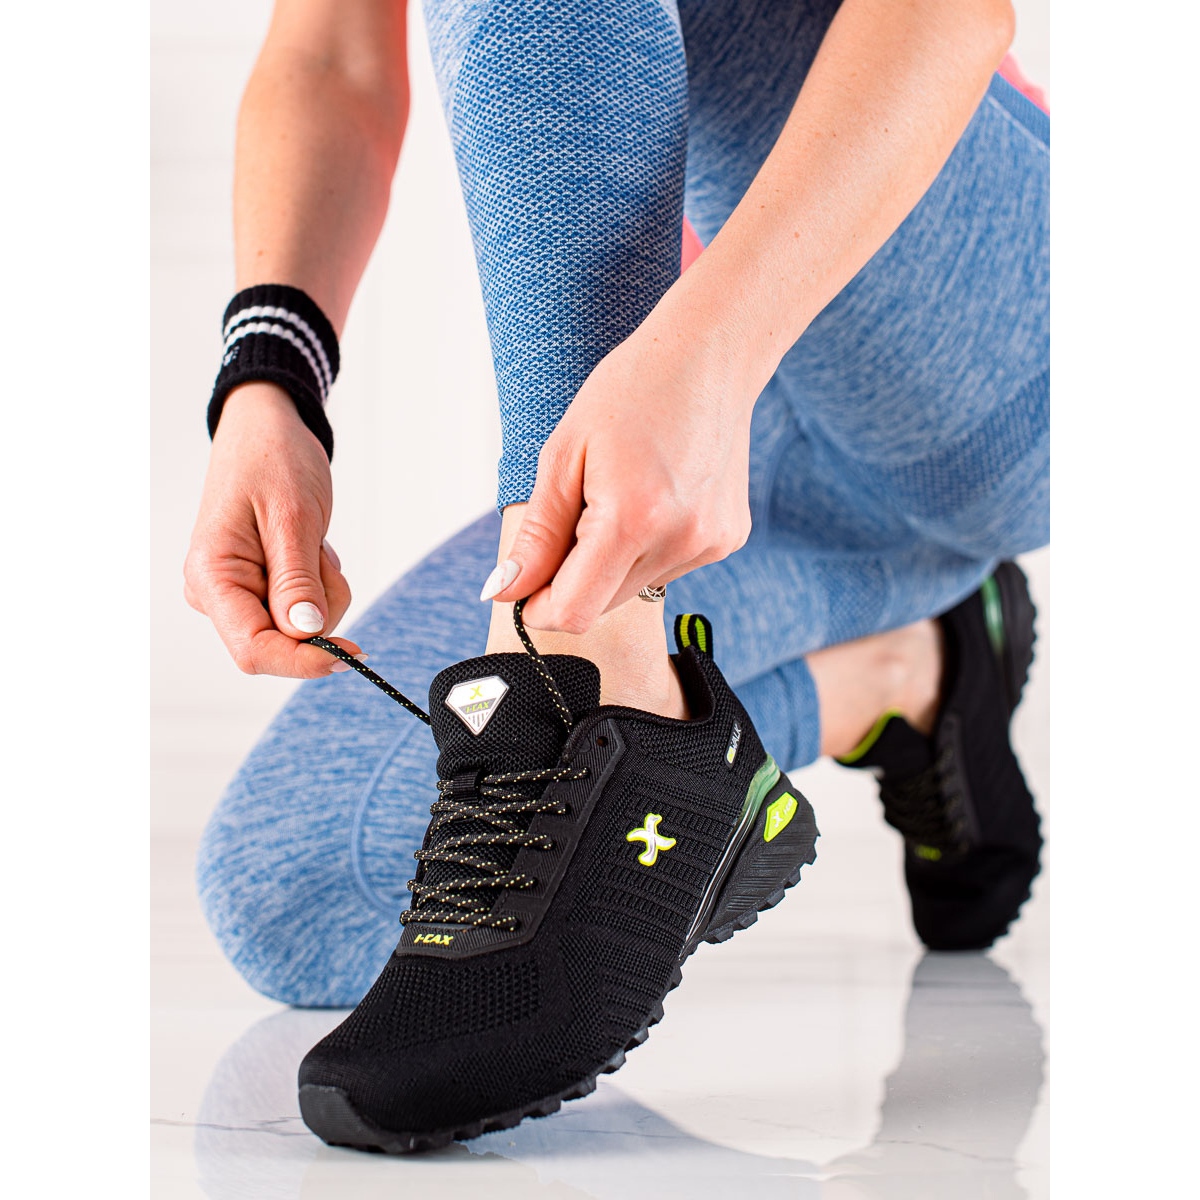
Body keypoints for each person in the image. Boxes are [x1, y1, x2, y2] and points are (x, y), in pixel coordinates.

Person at [184, 0, 1048, 1151]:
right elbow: (332, 54)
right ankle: (909, 664)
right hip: (714, 447)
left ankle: (582, 673)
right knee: (289, 891)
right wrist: (271, 384)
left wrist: (714, 350)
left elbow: (951, 15)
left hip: (979, 341)